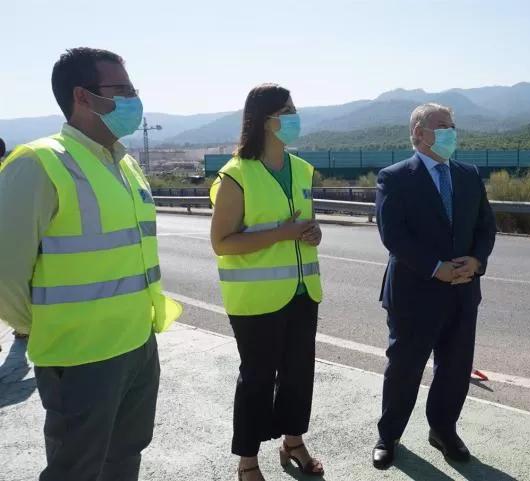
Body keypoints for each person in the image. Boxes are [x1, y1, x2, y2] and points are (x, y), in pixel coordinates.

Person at [0, 47, 182, 481]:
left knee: (125, 457)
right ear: (82, 96)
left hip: (138, 345)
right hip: (80, 357)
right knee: (75, 470)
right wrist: (43, 325)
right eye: (122, 90)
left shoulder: (125, 164)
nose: (134, 100)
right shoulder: (40, 162)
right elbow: (4, 274)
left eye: (133, 90)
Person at [371, 103, 497, 469]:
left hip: (463, 292)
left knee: (455, 369)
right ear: (419, 133)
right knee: (404, 369)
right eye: (442, 126)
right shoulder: (395, 177)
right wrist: (435, 268)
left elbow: (485, 227)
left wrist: (477, 261)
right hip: (414, 294)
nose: (450, 132)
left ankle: (443, 430)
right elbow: (393, 235)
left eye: (452, 126)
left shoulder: (469, 175)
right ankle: (389, 435)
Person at [209, 84, 324, 480]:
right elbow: (222, 243)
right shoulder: (236, 175)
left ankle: (293, 442)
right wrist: (283, 234)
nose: (294, 118)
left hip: (303, 291)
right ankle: (247, 461)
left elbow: (304, 223)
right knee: (257, 379)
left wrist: (313, 233)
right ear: (264, 120)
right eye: (286, 111)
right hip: (255, 300)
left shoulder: (302, 169)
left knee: (298, 375)